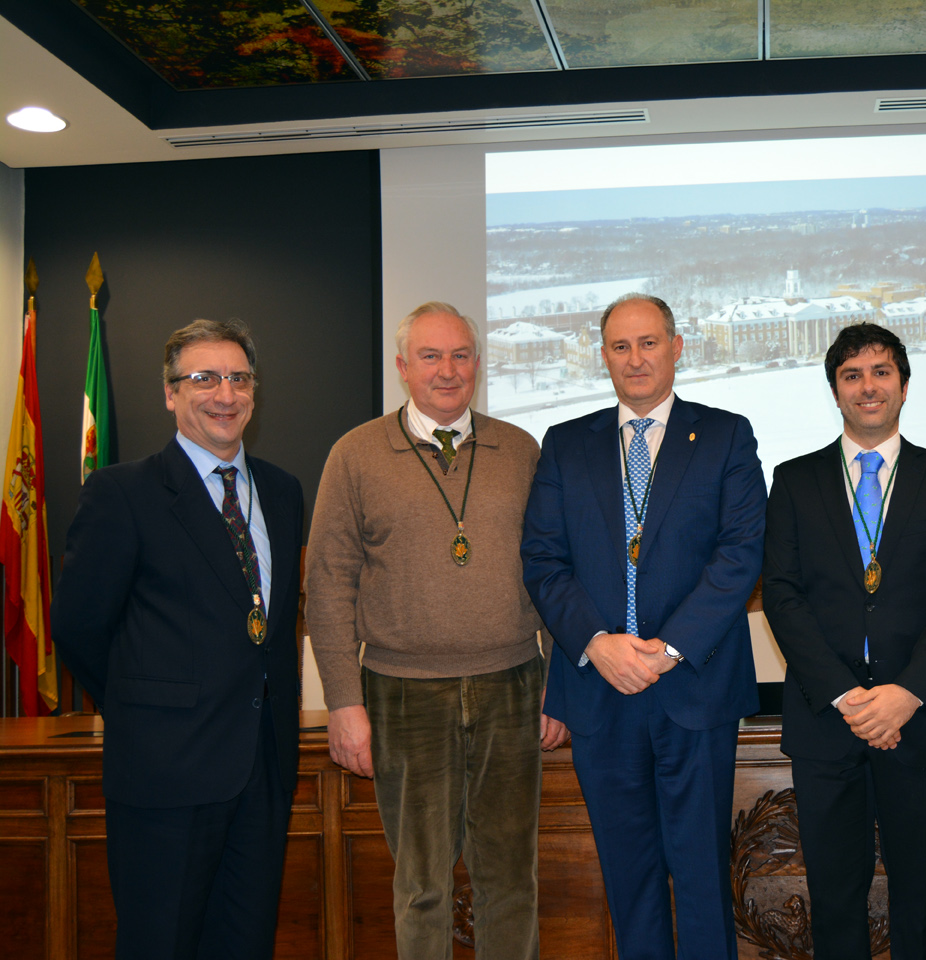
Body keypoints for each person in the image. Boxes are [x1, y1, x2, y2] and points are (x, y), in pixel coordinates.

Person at [306, 301, 564, 960]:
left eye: (459, 356)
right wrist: (342, 701)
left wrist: (559, 682)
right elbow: (328, 586)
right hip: (400, 692)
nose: (447, 371)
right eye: (430, 356)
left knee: (510, 878)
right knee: (421, 884)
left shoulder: (520, 449)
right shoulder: (355, 455)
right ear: (402, 367)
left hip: (513, 684)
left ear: (476, 364)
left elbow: (554, 572)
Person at [521, 293, 766, 960]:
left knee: (703, 876)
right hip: (601, 693)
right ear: (603, 356)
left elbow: (740, 554)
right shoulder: (568, 445)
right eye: (621, 346)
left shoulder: (725, 435)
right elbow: (543, 559)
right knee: (628, 881)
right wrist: (597, 645)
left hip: (694, 689)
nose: (636, 358)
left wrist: (668, 649)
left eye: (649, 342)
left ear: (677, 346)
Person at [51, 319, 303, 960]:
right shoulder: (121, 493)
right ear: (170, 394)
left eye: (238, 378)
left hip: (262, 772)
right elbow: (79, 627)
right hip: (164, 773)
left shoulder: (281, 490)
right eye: (203, 378)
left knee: (245, 944)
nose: (225, 393)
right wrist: (146, 712)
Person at [762, 322, 926, 960]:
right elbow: (781, 594)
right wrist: (845, 696)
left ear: (905, 385)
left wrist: (906, 695)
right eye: (852, 375)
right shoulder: (796, 480)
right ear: (834, 391)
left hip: (920, 719)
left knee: (918, 895)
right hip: (826, 722)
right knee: (835, 896)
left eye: (881, 372)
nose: (868, 387)